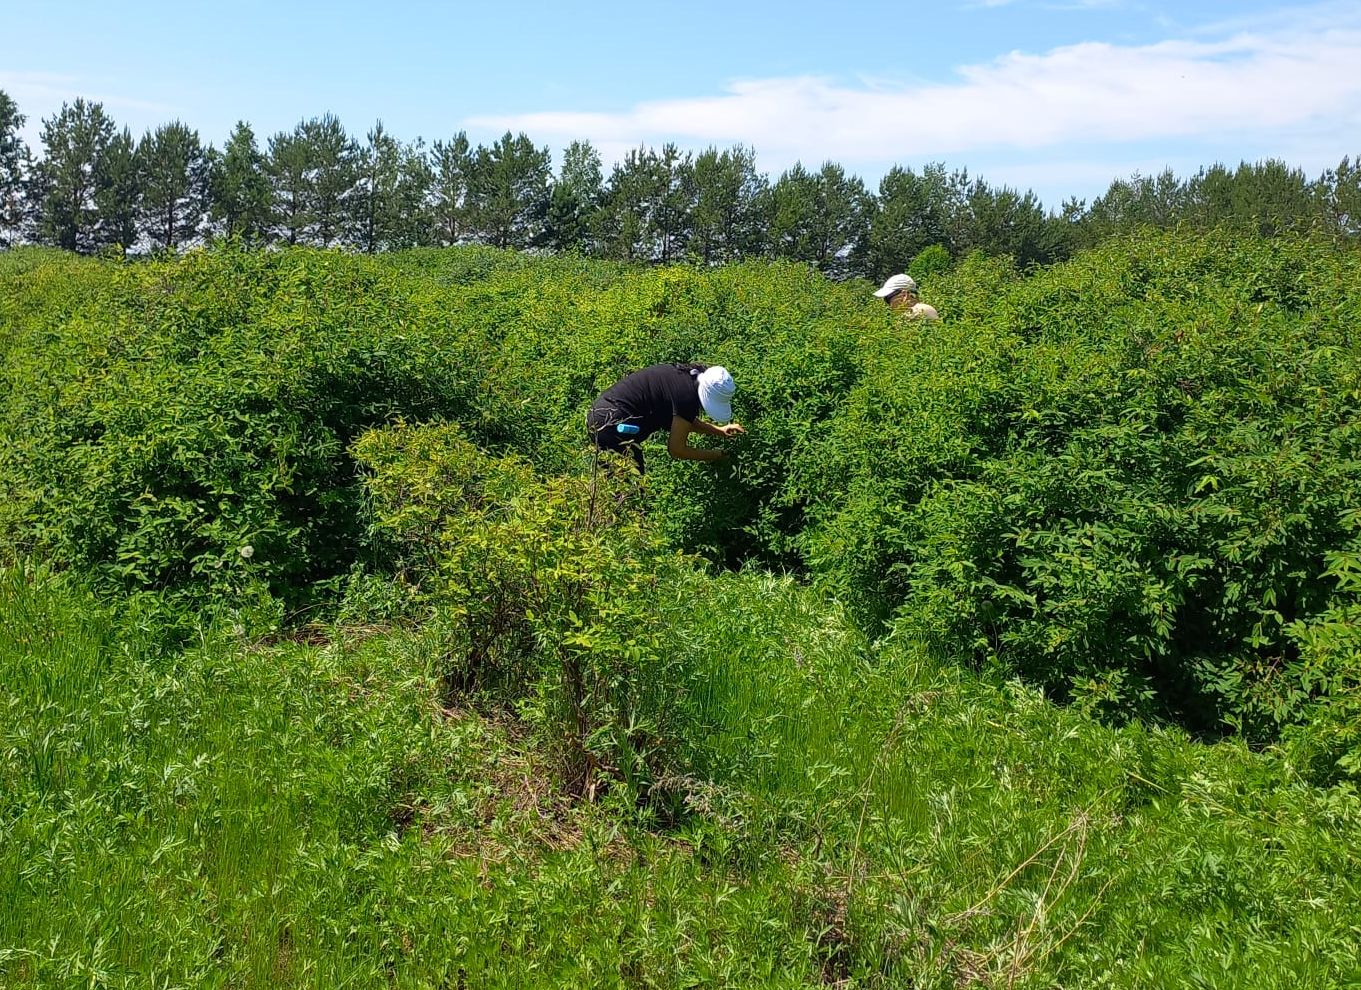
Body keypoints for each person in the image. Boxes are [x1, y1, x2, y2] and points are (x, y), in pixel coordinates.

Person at [586, 362, 744, 473]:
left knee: (616, 486)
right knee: (629, 492)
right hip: (612, 425)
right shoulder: (687, 397)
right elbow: (677, 450)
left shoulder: (686, 377)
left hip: (601, 413)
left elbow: (684, 421)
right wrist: (718, 456)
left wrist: (719, 431)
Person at [874, 273, 939, 321]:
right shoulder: (903, 316)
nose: (888, 303)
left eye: (888, 298)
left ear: (904, 295)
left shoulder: (923, 310)